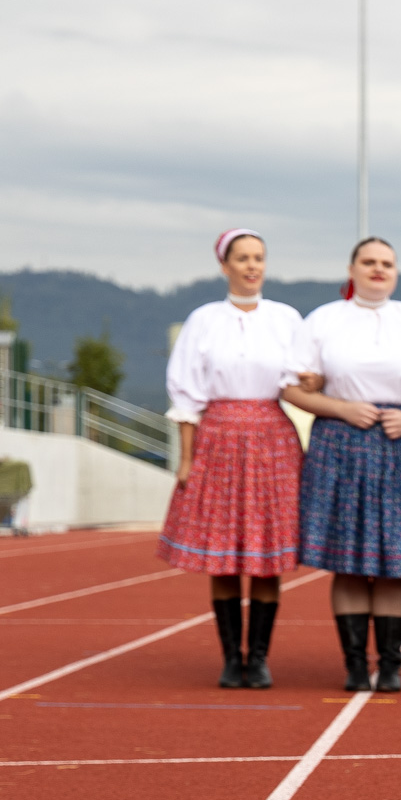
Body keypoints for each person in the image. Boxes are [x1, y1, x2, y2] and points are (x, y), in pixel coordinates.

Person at [282, 237, 401, 692]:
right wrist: (340, 408)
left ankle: (391, 665)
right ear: (352, 269)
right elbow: (290, 387)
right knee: (347, 561)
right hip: (340, 441)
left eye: (387, 263)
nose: (378, 270)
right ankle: (356, 664)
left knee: (393, 561)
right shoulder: (323, 319)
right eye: (369, 262)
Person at [157, 228, 304, 688]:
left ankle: (257, 657)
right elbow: (186, 392)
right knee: (221, 555)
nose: (252, 266)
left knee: (265, 555)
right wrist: (186, 459)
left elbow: (304, 379)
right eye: (242, 258)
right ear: (224, 266)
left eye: (259, 257)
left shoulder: (286, 318)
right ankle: (229, 657)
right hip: (217, 438)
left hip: (272, 438)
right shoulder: (203, 320)